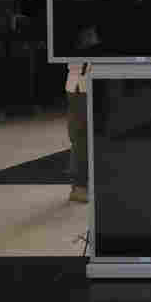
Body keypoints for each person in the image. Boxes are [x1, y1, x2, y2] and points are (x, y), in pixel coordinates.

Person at [64, 63, 88, 203]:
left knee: (83, 136)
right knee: (82, 137)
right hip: (81, 84)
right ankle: (79, 187)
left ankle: (80, 186)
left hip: (92, 81)